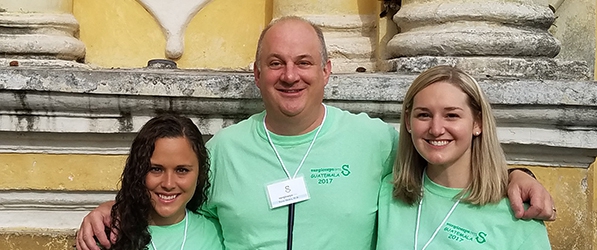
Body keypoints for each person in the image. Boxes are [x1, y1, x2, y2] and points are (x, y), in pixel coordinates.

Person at [76, 16, 555, 250]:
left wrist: (515, 173)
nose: (291, 75)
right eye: (276, 63)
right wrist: (115, 208)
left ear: (327, 71)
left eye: (304, 62)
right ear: (256, 73)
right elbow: (169, 200)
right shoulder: (221, 152)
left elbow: (441, 156)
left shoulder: (376, 142)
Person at [377, 66, 551, 249]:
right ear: (408, 122)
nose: (436, 129)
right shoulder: (387, 192)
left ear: (478, 123)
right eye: (424, 115)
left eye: (451, 115)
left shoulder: (518, 214)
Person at [100, 114, 223, 250]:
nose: (168, 184)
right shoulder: (108, 235)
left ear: (200, 173)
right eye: (156, 169)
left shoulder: (219, 234)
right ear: (138, 171)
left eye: (182, 170)